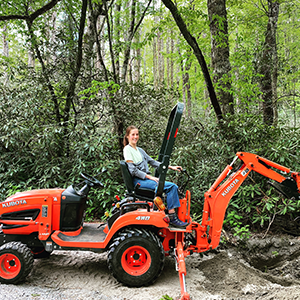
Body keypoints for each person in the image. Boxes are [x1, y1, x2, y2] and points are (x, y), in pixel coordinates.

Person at [123, 125, 188, 228]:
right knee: (172, 187)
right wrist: (150, 177)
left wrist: (171, 167)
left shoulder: (139, 150)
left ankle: (168, 212)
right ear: (127, 136)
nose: (135, 137)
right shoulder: (127, 150)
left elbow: (152, 162)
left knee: (169, 186)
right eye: (133, 135)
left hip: (145, 179)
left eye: (137, 134)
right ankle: (172, 217)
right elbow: (133, 170)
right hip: (139, 182)